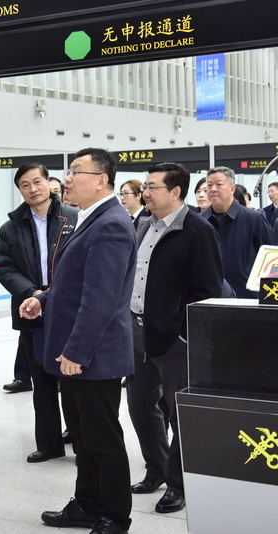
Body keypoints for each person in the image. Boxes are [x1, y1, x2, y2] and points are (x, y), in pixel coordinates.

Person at [20, 148, 137, 534]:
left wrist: (76, 351)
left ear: (101, 180)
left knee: (102, 440)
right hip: (75, 352)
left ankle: (115, 516)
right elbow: (74, 283)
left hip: (92, 356)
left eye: (75, 172)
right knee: (83, 439)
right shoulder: (86, 218)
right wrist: (42, 299)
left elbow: (100, 299)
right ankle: (87, 504)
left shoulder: (112, 225)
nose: (66, 179)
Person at [125, 162, 224, 515]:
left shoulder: (197, 230)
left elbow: (208, 291)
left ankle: (178, 485)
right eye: (145, 187)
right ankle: (156, 470)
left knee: (179, 413)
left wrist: (181, 333)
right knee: (140, 406)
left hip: (173, 340)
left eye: (152, 187)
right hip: (136, 333)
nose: (145, 193)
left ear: (175, 192)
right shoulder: (143, 224)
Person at [0, 162, 78, 463]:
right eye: (24, 185)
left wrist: (54, 293)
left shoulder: (74, 217)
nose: (32, 189)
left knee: (73, 382)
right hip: (32, 311)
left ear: (48, 182)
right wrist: (33, 293)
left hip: (69, 311)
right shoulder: (11, 227)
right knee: (42, 383)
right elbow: (4, 267)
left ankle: (80, 440)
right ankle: (49, 444)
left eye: (37, 181)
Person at [200, 166, 275, 297]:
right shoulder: (200, 222)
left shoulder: (254, 219)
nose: (213, 189)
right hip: (208, 297)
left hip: (246, 297)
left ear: (232, 189)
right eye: (209, 185)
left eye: (219, 184)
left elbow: (271, 258)